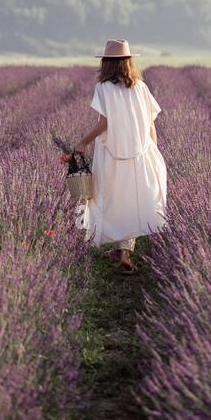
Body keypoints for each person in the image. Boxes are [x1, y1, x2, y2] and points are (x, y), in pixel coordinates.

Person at [72, 39, 167, 274]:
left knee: (109, 199)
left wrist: (83, 142)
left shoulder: (103, 88)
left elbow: (104, 123)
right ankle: (123, 251)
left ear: (106, 63)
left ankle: (119, 249)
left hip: (111, 155)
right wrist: (152, 151)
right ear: (129, 62)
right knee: (133, 202)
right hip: (140, 154)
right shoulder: (141, 87)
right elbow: (151, 124)